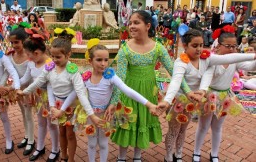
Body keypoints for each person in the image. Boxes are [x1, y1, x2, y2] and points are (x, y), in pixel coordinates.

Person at [155, 29, 256, 162]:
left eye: (201, 45)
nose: (199, 49)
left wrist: (253, 56)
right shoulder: (181, 62)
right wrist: (167, 100)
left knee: (183, 129)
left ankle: (178, 155)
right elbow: (176, 81)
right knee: (174, 130)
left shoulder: (206, 58)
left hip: (192, 101)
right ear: (185, 46)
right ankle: (168, 157)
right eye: (195, 46)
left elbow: (228, 58)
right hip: (179, 101)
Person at [110, 11, 193, 162]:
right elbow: (119, 78)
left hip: (149, 92)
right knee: (126, 122)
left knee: (143, 120)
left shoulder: (158, 48)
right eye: (130, 23)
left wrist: (187, 91)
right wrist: (114, 101)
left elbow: (174, 73)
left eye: (136, 23)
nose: (132, 26)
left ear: (148, 26)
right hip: (128, 92)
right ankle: (121, 157)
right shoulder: (125, 49)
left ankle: (137, 156)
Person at [18, 29, 105, 162]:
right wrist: (25, 92)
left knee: (70, 134)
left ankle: (71, 159)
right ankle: (63, 155)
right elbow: (40, 82)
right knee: (61, 132)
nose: (54, 60)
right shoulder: (50, 68)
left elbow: (80, 93)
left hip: (69, 107)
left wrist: (91, 115)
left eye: (58, 57)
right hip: (56, 106)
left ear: (68, 54)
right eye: (52, 56)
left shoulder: (73, 71)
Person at [80, 39, 158, 162]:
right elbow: (77, 94)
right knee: (91, 143)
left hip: (107, 115)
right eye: (99, 60)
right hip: (91, 114)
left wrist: (148, 104)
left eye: (106, 60)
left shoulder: (110, 76)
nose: (103, 64)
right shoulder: (85, 77)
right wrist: (60, 109)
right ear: (90, 61)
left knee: (104, 143)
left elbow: (127, 90)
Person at [193, 27, 256, 162]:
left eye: (234, 46)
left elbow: (251, 67)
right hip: (209, 95)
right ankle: (196, 152)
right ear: (218, 45)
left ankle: (214, 153)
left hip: (225, 97)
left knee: (217, 127)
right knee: (203, 126)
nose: (232, 49)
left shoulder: (235, 60)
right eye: (228, 46)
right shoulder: (212, 59)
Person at [19, 30, 63, 161]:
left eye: (28, 54)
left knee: (52, 124)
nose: (27, 57)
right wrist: (12, 86)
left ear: (36, 53)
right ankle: (40, 146)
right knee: (41, 122)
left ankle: (55, 149)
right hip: (38, 97)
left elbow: (51, 85)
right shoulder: (32, 63)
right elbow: (25, 79)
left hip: (51, 99)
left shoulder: (50, 64)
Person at [7, 28, 36, 156]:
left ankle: (31, 140)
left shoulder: (29, 56)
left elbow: (28, 77)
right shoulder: (11, 55)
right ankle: (26, 135)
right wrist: (14, 87)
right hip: (18, 90)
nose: (14, 45)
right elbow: (11, 72)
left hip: (28, 90)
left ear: (24, 41)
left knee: (29, 114)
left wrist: (17, 87)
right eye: (12, 43)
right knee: (23, 113)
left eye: (17, 42)